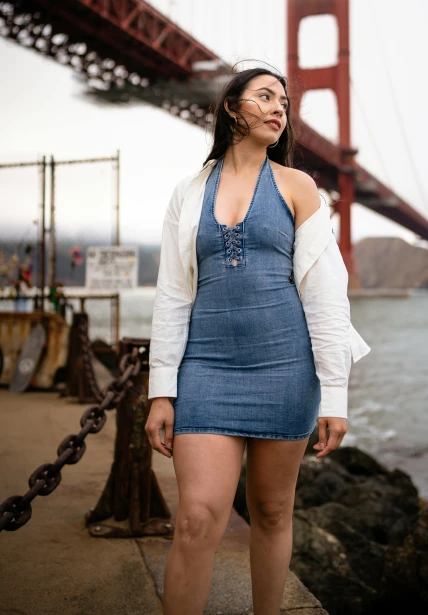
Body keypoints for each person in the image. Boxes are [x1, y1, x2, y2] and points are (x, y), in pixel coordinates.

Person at [145, 66, 371, 615]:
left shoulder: (298, 187)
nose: (279, 108)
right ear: (230, 108)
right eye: (265, 96)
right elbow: (173, 296)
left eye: (285, 102)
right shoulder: (188, 193)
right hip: (206, 370)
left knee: (271, 512)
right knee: (197, 519)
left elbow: (325, 296)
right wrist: (160, 390)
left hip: (286, 369)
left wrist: (335, 396)